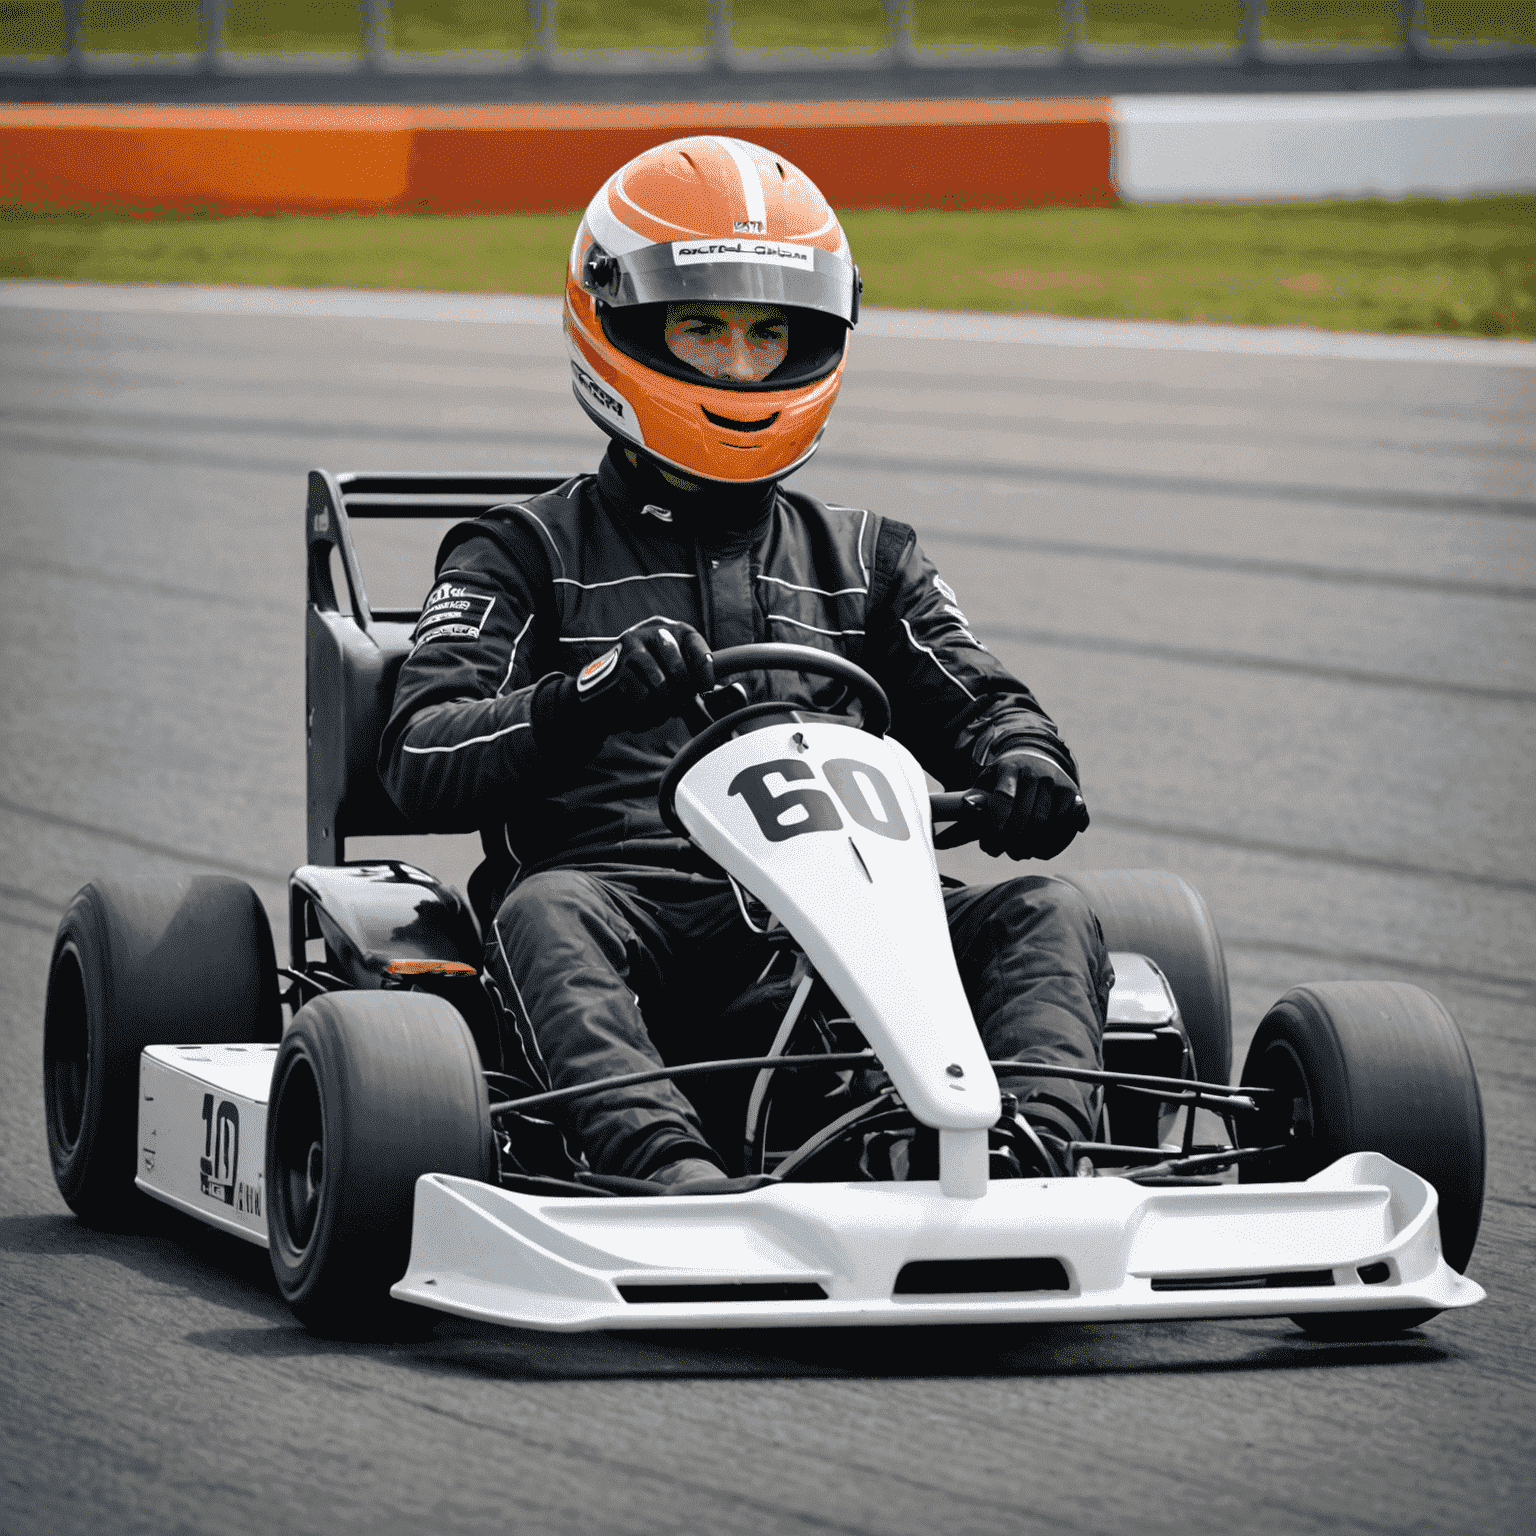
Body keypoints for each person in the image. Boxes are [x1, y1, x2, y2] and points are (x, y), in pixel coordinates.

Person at [379, 137, 1113, 1188]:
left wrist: (1023, 761)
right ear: (620, 328)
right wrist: (584, 699)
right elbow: (418, 749)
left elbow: (977, 693)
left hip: (845, 917)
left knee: (1054, 909)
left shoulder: (867, 559)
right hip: (629, 910)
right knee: (543, 912)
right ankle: (667, 1170)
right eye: (702, 328)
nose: (736, 367)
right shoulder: (521, 550)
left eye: (769, 335)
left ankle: (1026, 1153)